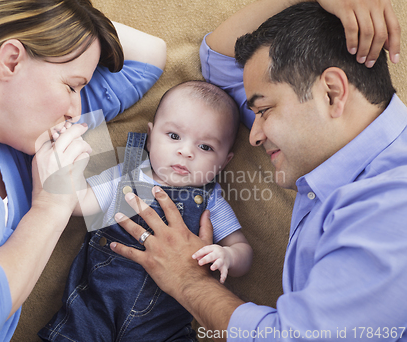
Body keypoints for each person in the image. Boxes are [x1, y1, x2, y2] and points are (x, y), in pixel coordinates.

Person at [109, 0, 407, 341]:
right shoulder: (330, 143)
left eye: (263, 110)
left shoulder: (395, 204)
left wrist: (186, 279)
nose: (253, 135)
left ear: (332, 93)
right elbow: (220, 62)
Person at [0, 0, 166, 341]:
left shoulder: (21, 141)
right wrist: (51, 205)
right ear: (11, 60)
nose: (77, 109)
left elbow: (150, 55)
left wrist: (59, 14)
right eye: (72, 86)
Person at [38, 80, 253, 342]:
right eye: (174, 136)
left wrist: (227, 255)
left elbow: (243, 252)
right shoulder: (128, 176)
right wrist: (61, 161)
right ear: (150, 139)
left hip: (164, 327)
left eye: (205, 147)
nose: (185, 152)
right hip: (93, 311)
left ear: (224, 162)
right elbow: (78, 203)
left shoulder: (210, 200)